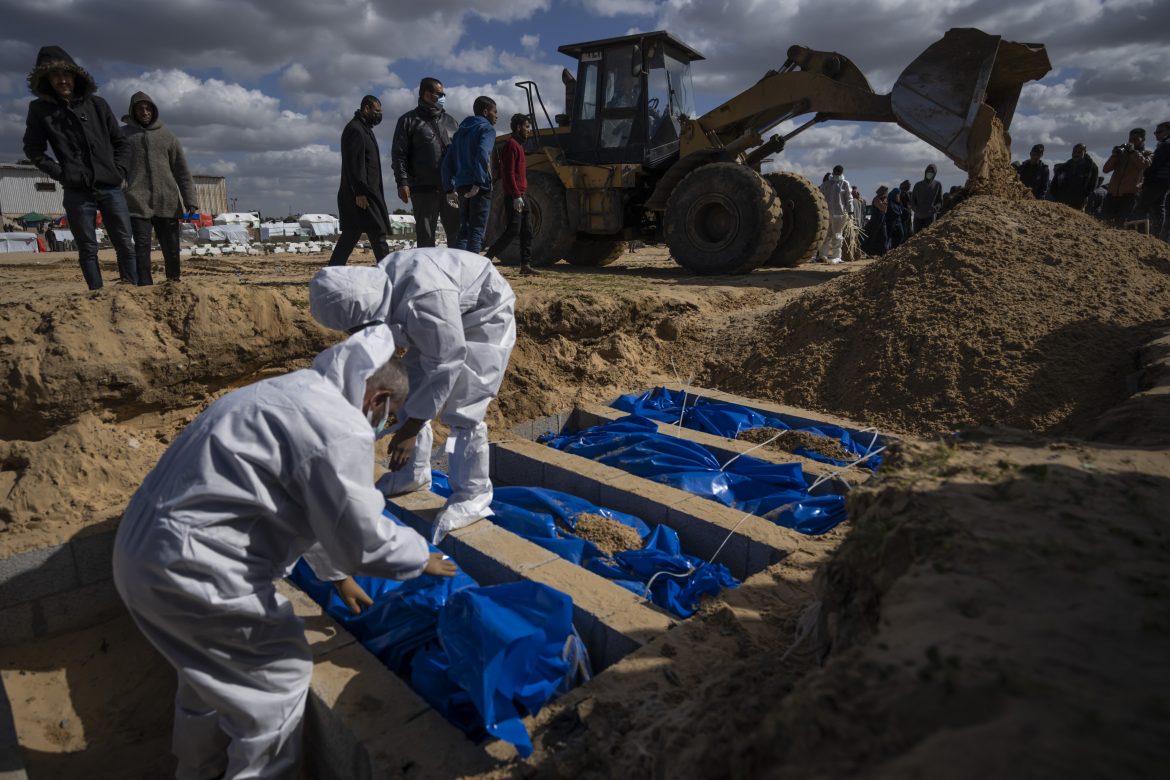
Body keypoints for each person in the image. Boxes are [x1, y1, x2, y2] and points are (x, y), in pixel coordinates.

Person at [113, 324, 458, 779]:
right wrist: (420, 556)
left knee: (208, 681)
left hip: (144, 553)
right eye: (389, 417)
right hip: (196, 569)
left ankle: (200, 772)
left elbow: (302, 499)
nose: (382, 428)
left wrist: (336, 575)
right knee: (276, 685)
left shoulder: (287, 393)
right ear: (376, 399)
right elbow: (360, 534)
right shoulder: (338, 425)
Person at [309, 247, 516, 544]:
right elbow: (383, 359)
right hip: (446, 316)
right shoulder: (376, 288)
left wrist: (410, 428)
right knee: (410, 387)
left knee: (463, 409)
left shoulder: (424, 298)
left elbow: (447, 359)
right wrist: (371, 421)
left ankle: (472, 494)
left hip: (483, 313)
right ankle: (413, 473)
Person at [22, 45, 136, 289]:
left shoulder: (98, 105)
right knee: (87, 248)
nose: (62, 80)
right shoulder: (40, 110)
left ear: (75, 76)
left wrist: (119, 171)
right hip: (76, 190)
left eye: (66, 74)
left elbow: (121, 143)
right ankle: (96, 296)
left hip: (110, 186)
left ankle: (131, 292)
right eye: (55, 75)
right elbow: (33, 149)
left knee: (125, 242)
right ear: (46, 79)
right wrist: (63, 173)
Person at [121, 91, 198, 284]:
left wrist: (190, 200)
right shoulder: (124, 135)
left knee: (171, 246)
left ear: (154, 110)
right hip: (137, 201)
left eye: (148, 108)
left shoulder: (167, 137)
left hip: (167, 201)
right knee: (142, 246)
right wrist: (123, 189)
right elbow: (117, 166)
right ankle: (144, 285)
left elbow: (182, 171)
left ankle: (174, 281)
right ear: (133, 111)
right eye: (140, 109)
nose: (144, 112)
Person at [392, 78, 460, 248]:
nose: (443, 97)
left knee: (456, 234)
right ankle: (427, 273)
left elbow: (459, 154)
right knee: (426, 236)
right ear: (427, 94)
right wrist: (403, 182)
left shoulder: (451, 122)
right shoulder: (408, 120)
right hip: (423, 188)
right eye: (440, 94)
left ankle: (454, 272)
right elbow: (399, 154)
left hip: (450, 189)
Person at [328, 95, 391, 266]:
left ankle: (333, 269)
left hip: (365, 192)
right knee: (377, 233)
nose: (379, 115)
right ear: (366, 108)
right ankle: (389, 273)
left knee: (353, 234)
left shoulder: (364, 129)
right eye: (377, 111)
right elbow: (355, 164)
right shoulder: (356, 129)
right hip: (363, 195)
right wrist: (360, 191)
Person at [484, 113, 539, 275]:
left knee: (527, 230)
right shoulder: (511, 145)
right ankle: (488, 257)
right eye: (526, 126)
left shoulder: (519, 146)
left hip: (523, 194)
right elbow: (507, 173)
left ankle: (525, 265)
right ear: (518, 127)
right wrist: (515, 196)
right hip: (514, 195)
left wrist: (521, 195)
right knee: (513, 230)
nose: (529, 130)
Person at [442, 96, 497, 255]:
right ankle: (472, 272)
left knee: (464, 230)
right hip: (479, 186)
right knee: (477, 231)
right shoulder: (487, 129)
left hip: (461, 186)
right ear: (486, 112)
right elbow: (482, 153)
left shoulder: (460, 133)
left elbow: (447, 162)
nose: (497, 115)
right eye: (495, 112)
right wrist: (479, 181)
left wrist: (448, 188)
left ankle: (459, 267)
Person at [1102, 128, 1153, 228]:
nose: (1132, 141)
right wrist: (1114, 155)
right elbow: (1106, 169)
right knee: (1105, 222)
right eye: (1131, 139)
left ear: (1143, 140)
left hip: (1130, 195)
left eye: (1136, 139)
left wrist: (1133, 152)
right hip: (1113, 193)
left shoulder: (1147, 154)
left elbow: (1144, 164)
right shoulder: (1122, 153)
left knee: (1121, 223)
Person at [1136, 121, 1169, 241]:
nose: (1156, 134)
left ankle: (1141, 234)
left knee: (1142, 205)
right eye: (1155, 132)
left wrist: (1146, 179)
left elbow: (1155, 165)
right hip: (1165, 181)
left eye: (1160, 132)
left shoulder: (1165, 145)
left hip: (1157, 179)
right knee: (1158, 207)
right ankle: (1155, 236)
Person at [816, 165, 853, 263]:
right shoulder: (826, 184)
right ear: (833, 172)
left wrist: (850, 211)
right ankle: (822, 255)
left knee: (837, 235)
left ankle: (837, 256)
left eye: (838, 173)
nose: (836, 174)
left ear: (841, 173)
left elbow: (849, 198)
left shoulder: (845, 184)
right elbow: (820, 197)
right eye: (835, 173)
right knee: (826, 235)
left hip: (839, 214)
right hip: (827, 213)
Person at [1048, 143, 1098, 212]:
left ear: (1085, 152)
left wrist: (1084, 195)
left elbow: (1092, 185)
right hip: (1061, 201)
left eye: (1079, 152)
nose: (1076, 154)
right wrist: (1056, 195)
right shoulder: (1065, 166)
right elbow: (1055, 183)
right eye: (1074, 152)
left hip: (1078, 202)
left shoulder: (1091, 168)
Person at [910, 164, 943, 233]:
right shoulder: (918, 185)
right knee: (916, 236)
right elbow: (912, 200)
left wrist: (934, 209)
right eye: (928, 171)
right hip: (918, 216)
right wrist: (916, 209)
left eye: (931, 172)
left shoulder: (937, 185)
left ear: (934, 174)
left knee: (928, 235)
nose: (929, 173)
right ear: (925, 172)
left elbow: (940, 201)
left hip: (930, 216)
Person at [863, 185, 889, 256]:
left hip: (881, 221)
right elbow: (884, 209)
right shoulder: (877, 199)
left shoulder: (882, 199)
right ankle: (871, 253)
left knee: (883, 237)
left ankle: (882, 253)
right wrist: (885, 202)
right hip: (875, 222)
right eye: (886, 192)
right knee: (874, 237)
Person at [886, 182, 907, 249]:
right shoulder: (890, 202)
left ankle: (895, 248)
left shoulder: (898, 202)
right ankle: (887, 250)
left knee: (901, 235)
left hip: (898, 222)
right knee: (889, 236)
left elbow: (901, 209)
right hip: (891, 222)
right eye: (898, 194)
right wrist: (899, 212)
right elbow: (893, 211)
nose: (898, 196)